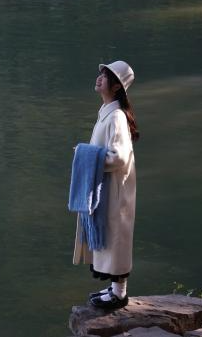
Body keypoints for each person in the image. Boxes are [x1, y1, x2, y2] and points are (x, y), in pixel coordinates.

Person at [72, 60, 139, 310]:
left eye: (106, 76)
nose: (99, 78)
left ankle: (120, 293)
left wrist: (86, 155)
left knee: (116, 237)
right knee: (109, 238)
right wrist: (88, 155)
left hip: (116, 190)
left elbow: (119, 157)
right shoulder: (106, 113)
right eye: (100, 73)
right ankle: (114, 288)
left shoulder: (117, 117)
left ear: (116, 86)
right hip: (106, 187)